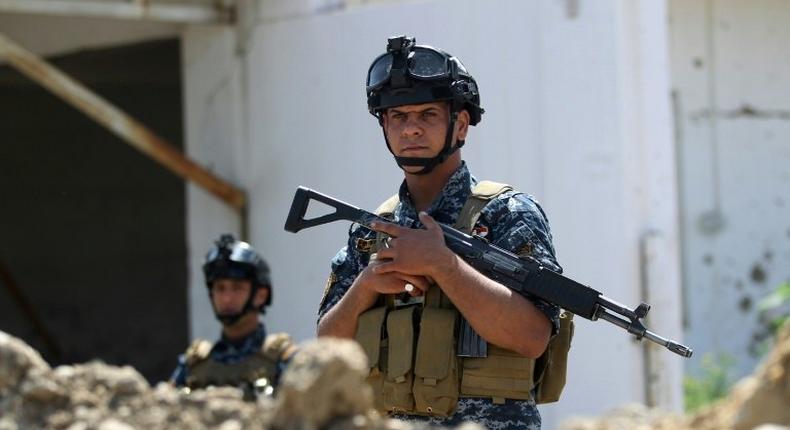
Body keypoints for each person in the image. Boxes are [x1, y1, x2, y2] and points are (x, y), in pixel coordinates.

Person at [316, 36, 563, 428]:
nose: (411, 129)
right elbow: (326, 352)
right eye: (398, 116)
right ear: (384, 126)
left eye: (428, 114)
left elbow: (533, 336)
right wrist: (367, 285)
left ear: (460, 125)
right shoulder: (371, 231)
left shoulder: (507, 214)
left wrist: (444, 266)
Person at [171, 234, 296, 398]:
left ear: (260, 295)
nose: (226, 298)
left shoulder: (283, 358)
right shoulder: (193, 362)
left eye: (237, 288)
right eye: (220, 288)